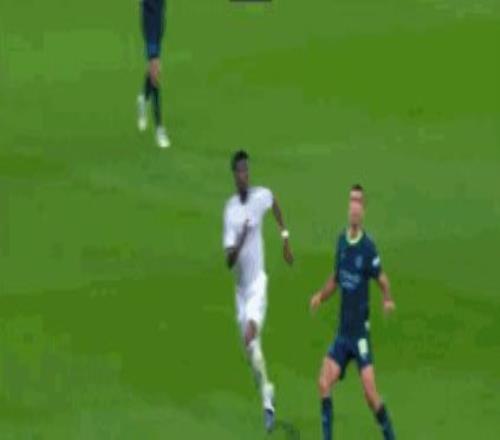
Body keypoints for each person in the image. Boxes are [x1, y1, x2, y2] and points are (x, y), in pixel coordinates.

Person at [310, 184, 396, 440]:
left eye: (359, 202)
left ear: (363, 210)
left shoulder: (368, 247)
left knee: (370, 395)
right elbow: (336, 277)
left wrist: (387, 299)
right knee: (323, 383)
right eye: (351, 201)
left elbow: (381, 278)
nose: (354, 207)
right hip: (343, 335)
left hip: (359, 337)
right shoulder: (341, 241)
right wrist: (320, 296)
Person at [223, 150, 294, 432]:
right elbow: (229, 261)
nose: (244, 175)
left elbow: (274, 202)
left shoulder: (259, 196)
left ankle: (267, 403)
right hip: (240, 292)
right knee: (251, 351)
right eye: (240, 171)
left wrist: (285, 238)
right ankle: (267, 389)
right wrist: (241, 238)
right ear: (234, 175)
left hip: (257, 286)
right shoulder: (230, 211)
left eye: (246, 170)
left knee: (250, 334)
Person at [137, 0, 170, 148]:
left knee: (153, 71)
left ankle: (143, 99)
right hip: (150, 23)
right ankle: (159, 128)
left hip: (159, 23)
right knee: (155, 71)